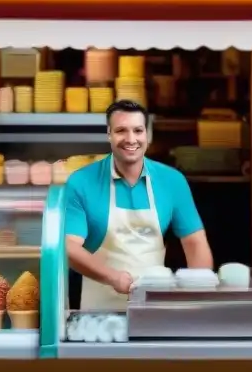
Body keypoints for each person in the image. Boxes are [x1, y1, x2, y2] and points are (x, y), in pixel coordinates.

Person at [64, 99, 214, 310]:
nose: (131, 139)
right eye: (121, 131)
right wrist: (113, 277)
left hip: (155, 309)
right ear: (109, 134)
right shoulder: (81, 182)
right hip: (99, 314)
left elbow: (195, 243)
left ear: (147, 135)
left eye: (138, 130)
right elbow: (69, 247)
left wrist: (200, 299)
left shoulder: (172, 181)